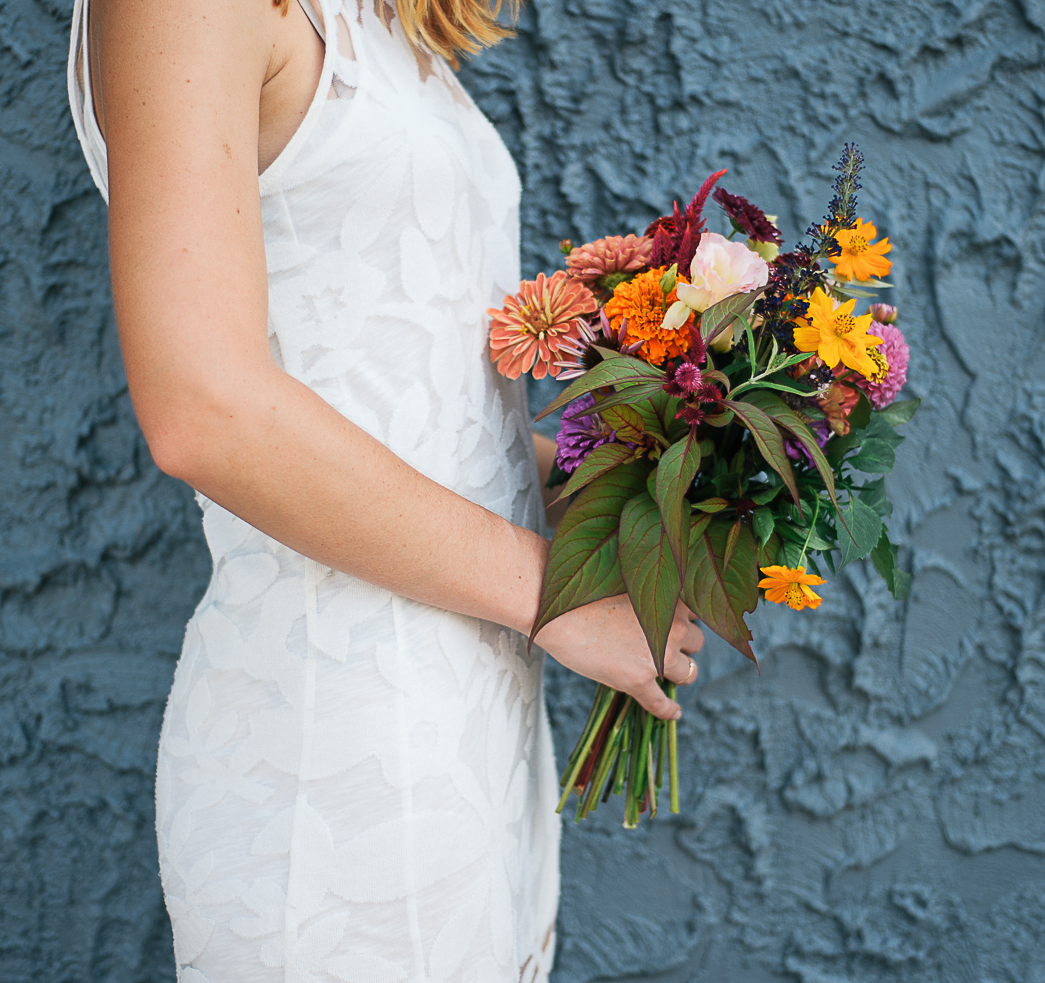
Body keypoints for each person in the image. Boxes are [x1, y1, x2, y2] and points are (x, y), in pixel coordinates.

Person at [65, 0, 704, 977]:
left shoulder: (374, 19)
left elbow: (431, 426)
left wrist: (642, 495)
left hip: (473, 734)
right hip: (341, 740)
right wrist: (553, 595)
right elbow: (204, 406)